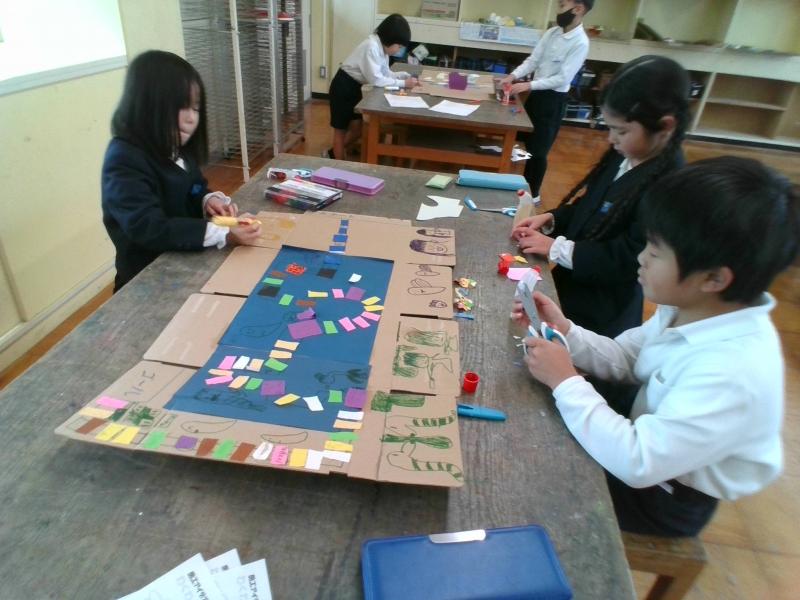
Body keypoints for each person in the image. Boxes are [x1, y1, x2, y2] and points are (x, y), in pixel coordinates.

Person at [513, 157, 799, 537]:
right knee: (533, 417)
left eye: (656, 251)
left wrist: (565, 381)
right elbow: (626, 358)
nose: (641, 257)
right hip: (645, 442)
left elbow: (639, 461)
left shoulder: (733, 369)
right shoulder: (691, 307)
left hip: (663, 496)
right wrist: (566, 330)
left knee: (525, 476)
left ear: (714, 278)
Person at [511, 55, 690, 338]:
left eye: (621, 130)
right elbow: (590, 205)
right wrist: (553, 219)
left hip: (601, 314)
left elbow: (629, 258)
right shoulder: (626, 153)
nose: (611, 138)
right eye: (609, 127)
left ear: (665, 126)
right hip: (570, 287)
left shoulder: (669, 185)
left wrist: (556, 248)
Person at [102, 50, 261, 292]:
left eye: (196, 108)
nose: (191, 118)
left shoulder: (176, 147)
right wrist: (222, 232)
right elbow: (148, 227)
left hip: (188, 262)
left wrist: (208, 199)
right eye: (181, 107)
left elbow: (193, 186)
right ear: (146, 105)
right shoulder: (124, 159)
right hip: (148, 281)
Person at [499, 0, 592, 197]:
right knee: (523, 139)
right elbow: (533, 60)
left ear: (578, 9)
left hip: (553, 100)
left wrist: (528, 85)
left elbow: (563, 78)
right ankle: (515, 181)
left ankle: (533, 194)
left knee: (538, 151)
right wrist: (512, 76)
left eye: (562, 5)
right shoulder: (552, 33)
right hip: (537, 95)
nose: (559, 10)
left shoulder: (580, 42)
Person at [327, 13, 419, 160]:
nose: (399, 50)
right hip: (342, 86)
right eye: (399, 46)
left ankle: (333, 152)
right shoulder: (371, 47)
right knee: (340, 130)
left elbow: (386, 74)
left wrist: (402, 75)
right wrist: (403, 84)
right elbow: (377, 80)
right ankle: (337, 162)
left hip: (354, 87)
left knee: (357, 129)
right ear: (390, 39)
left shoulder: (383, 50)